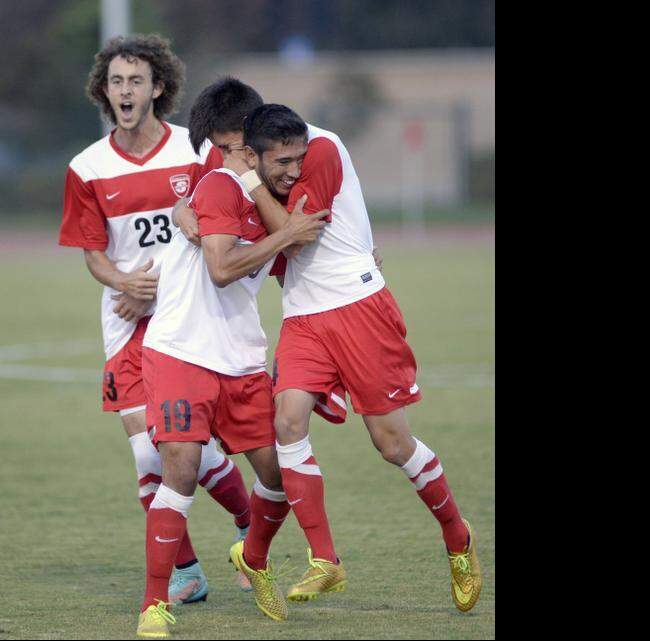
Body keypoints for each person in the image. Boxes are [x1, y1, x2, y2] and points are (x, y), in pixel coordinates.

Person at [178, 81, 483, 612]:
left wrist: (249, 184)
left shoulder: (317, 150)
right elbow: (190, 207)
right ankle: (325, 560)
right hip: (302, 314)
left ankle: (458, 539)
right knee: (287, 421)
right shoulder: (243, 159)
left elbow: (296, 235)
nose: (225, 160)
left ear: (254, 138)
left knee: (391, 444)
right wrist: (191, 217)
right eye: (223, 151)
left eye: (231, 148)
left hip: (359, 308)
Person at [56, 34, 253, 606]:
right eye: (116, 81)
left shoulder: (193, 154)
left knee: (182, 446)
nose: (125, 90)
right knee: (150, 451)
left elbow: (219, 218)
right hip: (124, 319)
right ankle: (189, 571)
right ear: (104, 90)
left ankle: (246, 526)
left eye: (135, 80)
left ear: (157, 87)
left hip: (186, 312)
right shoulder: (86, 167)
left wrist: (160, 284)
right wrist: (125, 283)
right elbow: (94, 252)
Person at [134, 108, 329, 637]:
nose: (286, 167)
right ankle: (155, 603)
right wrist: (286, 235)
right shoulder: (220, 186)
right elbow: (221, 270)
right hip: (181, 352)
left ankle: (254, 557)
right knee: (181, 465)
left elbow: (309, 264)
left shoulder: (276, 199)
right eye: (230, 147)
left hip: (240, 358)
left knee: (278, 478)